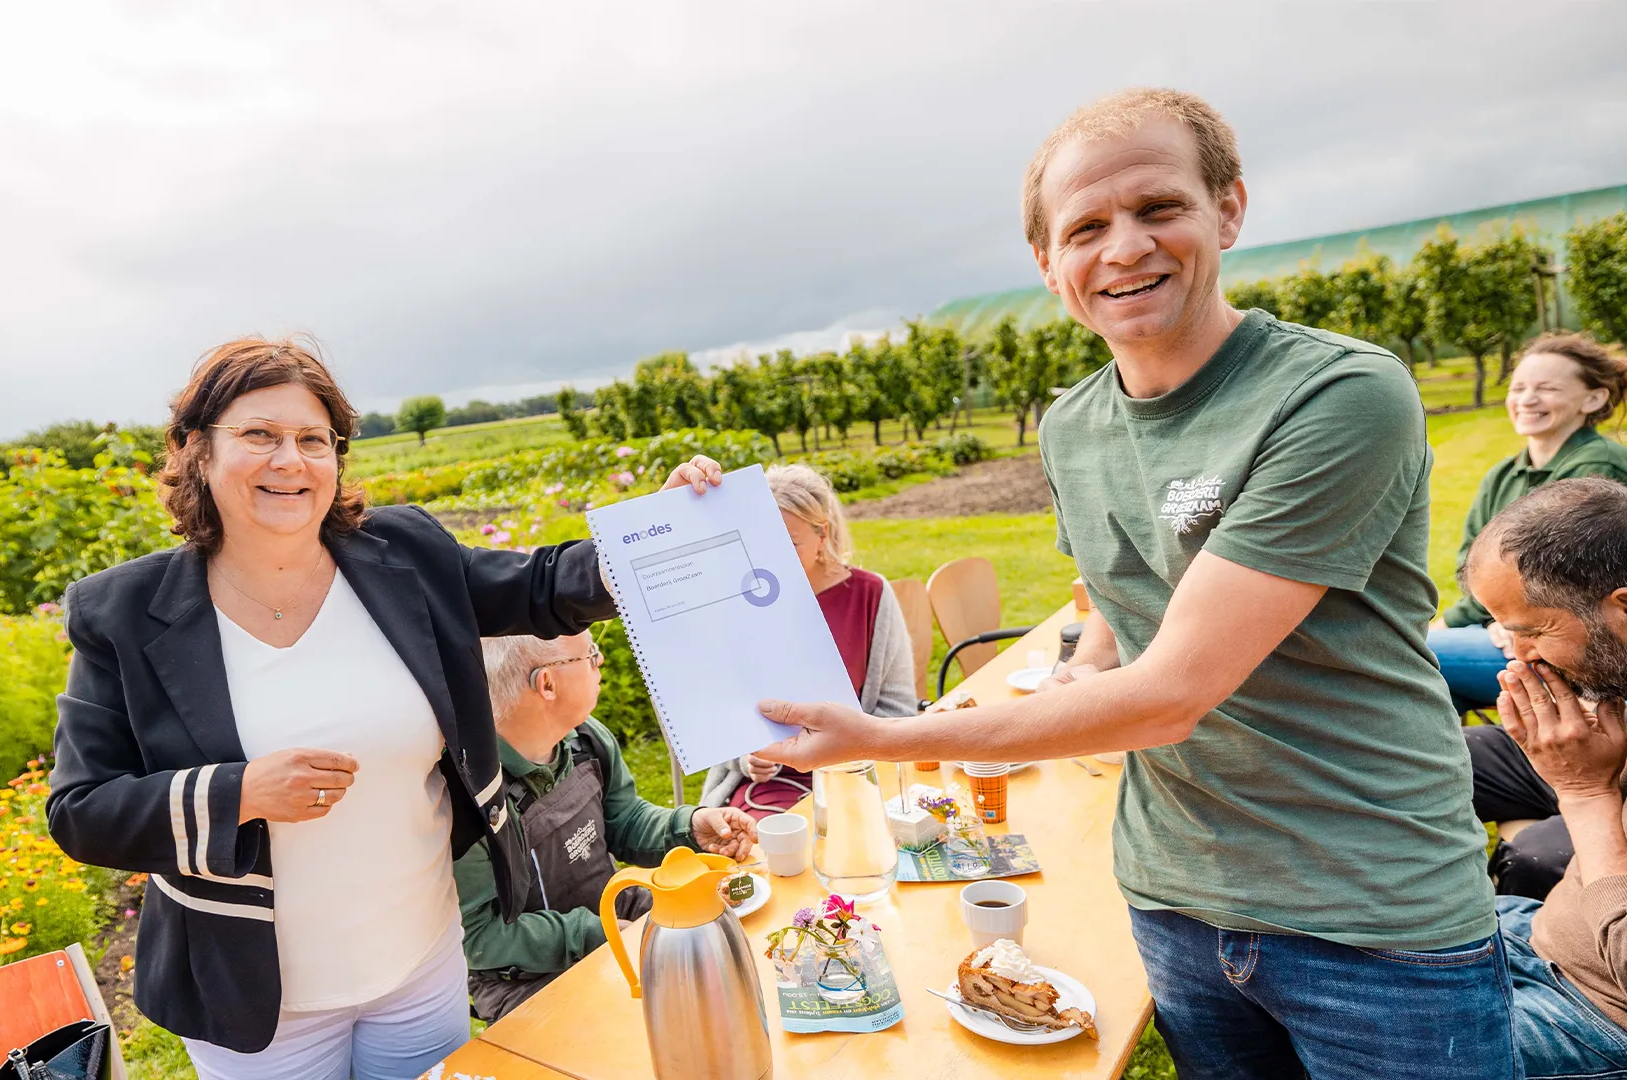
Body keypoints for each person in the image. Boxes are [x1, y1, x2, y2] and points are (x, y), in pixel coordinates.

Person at [754, 88, 1512, 1079]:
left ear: (1227, 210)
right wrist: (1089, 657)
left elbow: (1171, 698)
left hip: (1373, 912)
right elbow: (1123, 587)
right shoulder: (1073, 425)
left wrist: (888, 740)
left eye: (1158, 209)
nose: (1124, 249)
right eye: (1087, 228)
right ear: (1048, 264)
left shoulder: (1337, 396)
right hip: (1177, 899)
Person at [44, 335, 728, 1080]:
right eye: (259, 436)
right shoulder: (126, 612)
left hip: (418, 968)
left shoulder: (400, 556)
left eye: (314, 439)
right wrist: (240, 792)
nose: (290, 461)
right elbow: (82, 809)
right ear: (196, 451)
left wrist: (649, 537)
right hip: (264, 1008)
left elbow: (539, 586)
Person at [455, 632, 757, 1022]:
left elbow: (624, 821)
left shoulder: (586, 740)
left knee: (729, 950)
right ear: (547, 683)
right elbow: (479, 937)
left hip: (617, 916)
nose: (600, 662)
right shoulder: (474, 799)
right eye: (589, 655)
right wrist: (598, 934)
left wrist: (689, 827)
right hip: (527, 980)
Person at [1461, 477, 1627, 1078]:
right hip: (1542, 935)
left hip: (1594, 1017)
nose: (1519, 656)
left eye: (1534, 630)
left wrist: (1583, 790)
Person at [697, 463, 918, 818]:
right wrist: (748, 756)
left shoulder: (869, 594)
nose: (772, 556)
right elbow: (720, 715)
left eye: (790, 542)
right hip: (767, 791)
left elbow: (898, 710)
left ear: (822, 535)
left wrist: (843, 755)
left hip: (859, 777)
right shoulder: (737, 600)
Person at [1432, 332, 1627, 715]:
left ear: (1594, 398)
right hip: (1499, 628)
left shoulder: (1599, 468)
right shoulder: (1504, 474)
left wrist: (1451, 627)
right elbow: (1470, 565)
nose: (1527, 399)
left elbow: (1566, 586)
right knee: (1430, 692)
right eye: (1518, 387)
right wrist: (1469, 620)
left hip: (1561, 642)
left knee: (1412, 658)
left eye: (1547, 388)